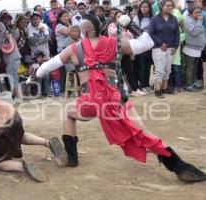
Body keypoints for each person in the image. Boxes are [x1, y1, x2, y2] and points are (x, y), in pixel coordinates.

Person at [30, 13, 206, 183]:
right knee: (141, 133)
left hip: (92, 102)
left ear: (83, 32)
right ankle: (178, 166)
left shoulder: (74, 49)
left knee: (68, 112)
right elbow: (148, 42)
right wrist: (130, 24)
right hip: (117, 98)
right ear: (100, 29)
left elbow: (46, 67)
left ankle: (71, 158)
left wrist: (34, 74)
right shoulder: (115, 43)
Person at [149, 0, 180, 98]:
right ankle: (157, 90)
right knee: (159, 70)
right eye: (168, 5)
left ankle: (165, 88)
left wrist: (175, 46)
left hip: (171, 48)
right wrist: (160, 43)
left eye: (171, 6)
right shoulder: (155, 19)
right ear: (162, 6)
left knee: (167, 69)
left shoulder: (174, 19)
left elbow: (177, 34)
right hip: (159, 48)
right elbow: (151, 33)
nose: (170, 7)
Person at [183, 6, 206, 91]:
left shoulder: (196, 20)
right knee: (190, 67)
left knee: (195, 67)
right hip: (191, 48)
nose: (198, 14)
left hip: (197, 48)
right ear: (190, 13)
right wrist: (200, 21)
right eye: (196, 13)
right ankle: (188, 85)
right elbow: (194, 32)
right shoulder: (188, 20)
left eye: (199, 12)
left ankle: (192, 83)